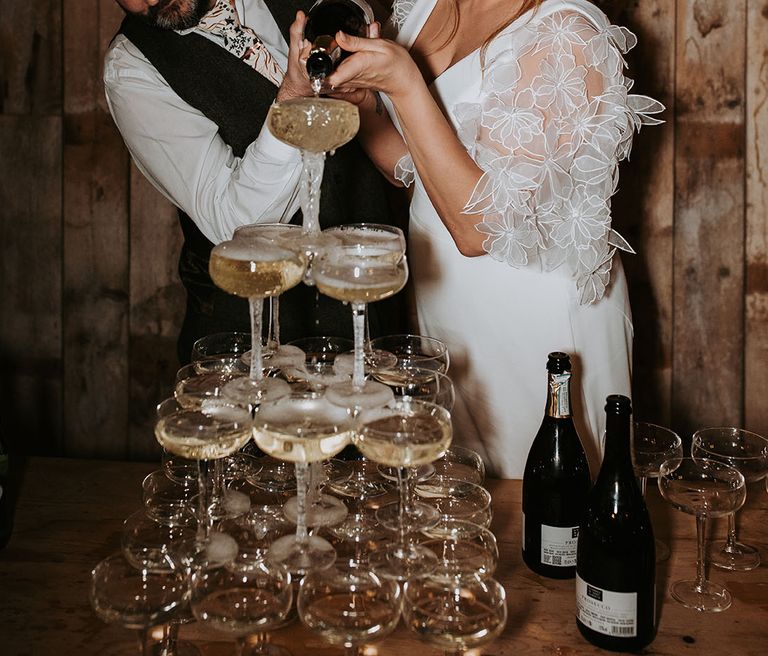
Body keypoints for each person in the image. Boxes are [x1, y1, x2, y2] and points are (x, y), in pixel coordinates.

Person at [319, 0, 663, 477]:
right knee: (465, 507)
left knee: (546, 506)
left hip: (537, 327)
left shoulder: (567, 32)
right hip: (451, 313)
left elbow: (480, 227)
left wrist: (404, 84)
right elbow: (413, 169)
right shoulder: (424, 9)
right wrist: (367, 109)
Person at [104, 0, 407, 363]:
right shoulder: (131, 66)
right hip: (252, 349)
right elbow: (235, 223)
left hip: (371, 309)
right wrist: (292, 101)